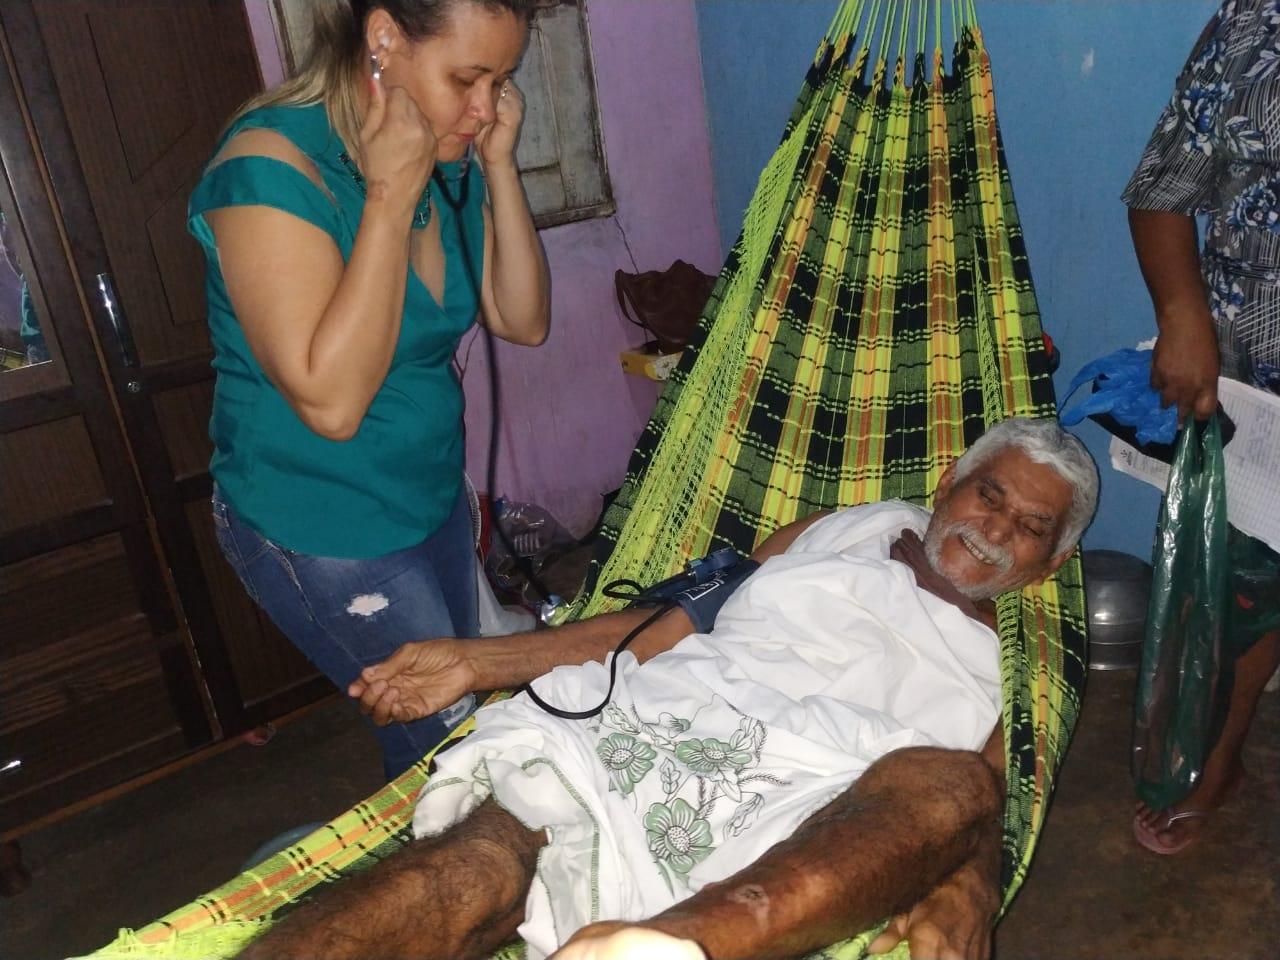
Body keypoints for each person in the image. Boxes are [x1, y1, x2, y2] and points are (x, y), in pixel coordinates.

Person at [235, 417, 1099, 960]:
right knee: (477, 857)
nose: (994, 531)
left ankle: (673, 945)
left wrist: (970, 880)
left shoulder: (1020, 657)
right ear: (949, 483)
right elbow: (664, 624)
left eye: (1030, 529)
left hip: (813, 800)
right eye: (991, 497)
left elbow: (989, 802)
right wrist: (481, 660)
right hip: (657, 723)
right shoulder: (846, 529)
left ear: (1052, 561)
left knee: (948, 783)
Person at [189, 0, 550, 779]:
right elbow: (331, 403)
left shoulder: (445, 149)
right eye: (468, 77)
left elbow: (522, 320)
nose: (485, 106)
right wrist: (389, 198)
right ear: (384, 39)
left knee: (474, 711)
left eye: (502, 80)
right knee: (451, 754)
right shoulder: (268, 168)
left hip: (429, 497)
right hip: (324, 520)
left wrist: (497, 164)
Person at [1123, 0, 1280, 855]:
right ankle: (1218, 751)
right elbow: (1163, 187)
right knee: (1244, 589)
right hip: (1260, 384)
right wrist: (1184, 316)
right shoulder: (1260, 22)